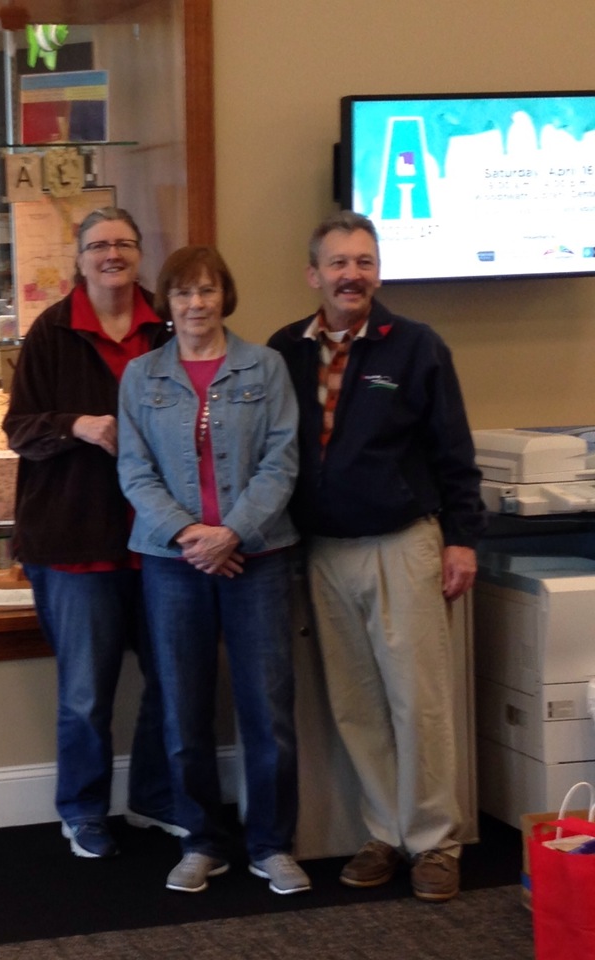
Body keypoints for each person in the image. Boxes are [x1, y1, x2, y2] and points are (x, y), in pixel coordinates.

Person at [267, 210, 486, 902]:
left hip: (403, 545)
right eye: (338, 263)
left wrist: (462, 537)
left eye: (363, 261)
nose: (351, 274)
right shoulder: (285, 351)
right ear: (314, 275)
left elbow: (454, 450)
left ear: (378, 271)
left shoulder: (415, 346)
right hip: (324, 552)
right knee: (356, 706)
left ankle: (434, 842)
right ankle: (385, 833)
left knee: (418, 701)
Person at [118, 245, 306, 895]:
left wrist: (232, 533)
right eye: (181, 294)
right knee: (182, 709)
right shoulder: (141, 377)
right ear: (165, 305)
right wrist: (191, 535)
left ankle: (272, 846)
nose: (195, 304)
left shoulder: (266, 366)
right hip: (172, 563)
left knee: (268, 709)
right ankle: (201, 842)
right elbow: (133, 470)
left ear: (225, 295)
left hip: (258, 557)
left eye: (206, 291)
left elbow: (282, 461)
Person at [4, 207, 177, 859]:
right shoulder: (52, 332)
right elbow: (17, 428)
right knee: (84, 693)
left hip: (160, 542)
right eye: (99, 245)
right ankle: (82, 811)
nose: (112, 254)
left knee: (172, 681)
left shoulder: (169, 323)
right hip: (75, 543)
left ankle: (157, 800)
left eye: (125, 244)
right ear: (78, 259)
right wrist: (78, 425)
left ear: (140, 254)